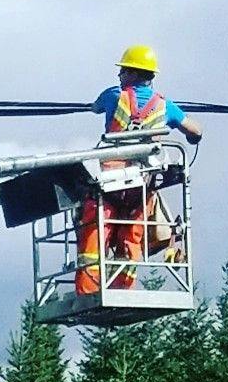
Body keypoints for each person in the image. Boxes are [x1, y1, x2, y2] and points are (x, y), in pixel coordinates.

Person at [76, 44, 203, 295]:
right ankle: (123, 290)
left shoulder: (114, 96)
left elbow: (95, 107)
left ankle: (89, 290)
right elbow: (195, 130)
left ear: (134, 73)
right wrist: (193, 138)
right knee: (131, 237)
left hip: (108, 182)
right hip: (142, 187)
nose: (120, 76)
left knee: (96, 232)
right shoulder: (165, 106)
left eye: (123, 71)